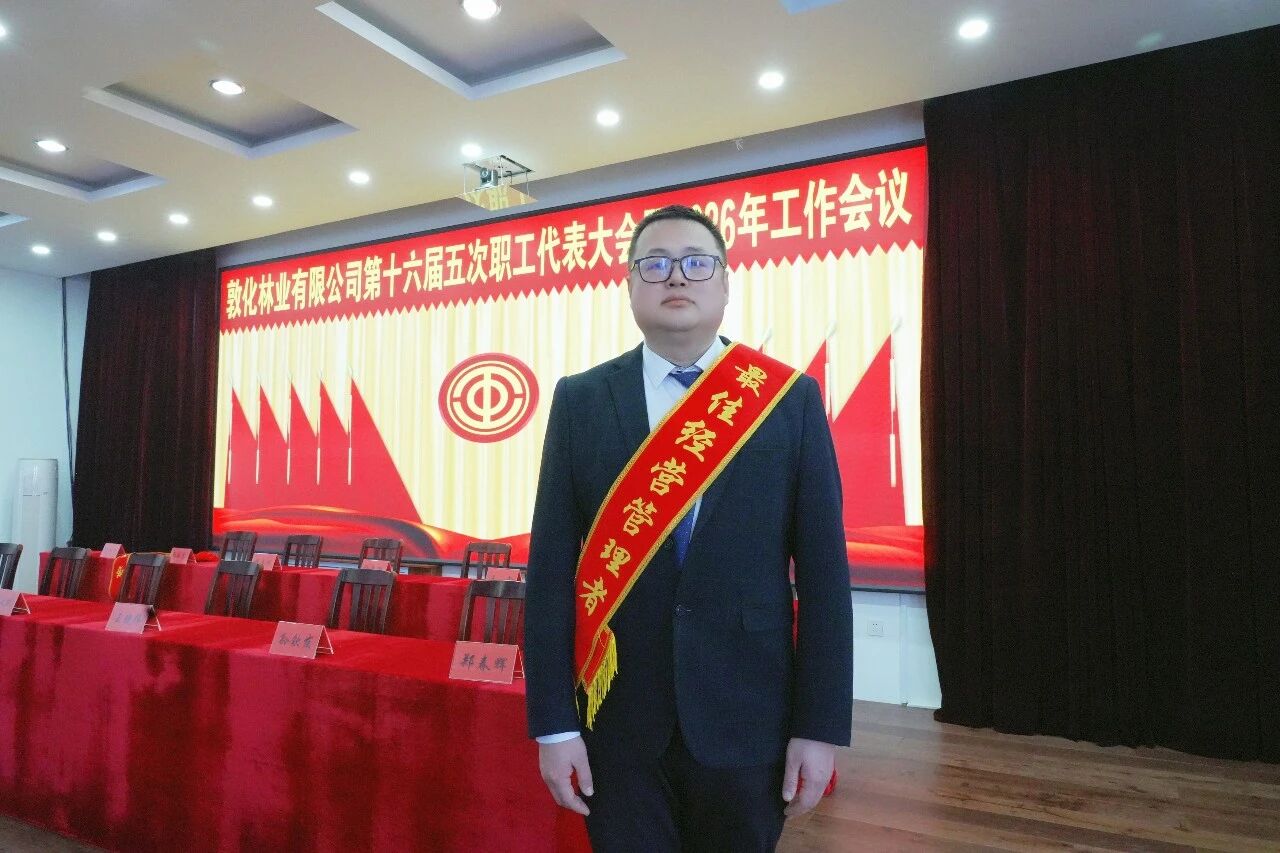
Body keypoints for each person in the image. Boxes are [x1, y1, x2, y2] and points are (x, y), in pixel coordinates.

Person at [525, 204, 852, 852]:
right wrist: (554, 725)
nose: (676, 276)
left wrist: (818, 727)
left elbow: (824, 579)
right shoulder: (581, 400)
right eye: (655, 264)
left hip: (748, 719)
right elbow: (552, 574)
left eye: (697, 263)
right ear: (630, 285)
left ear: (725, 283)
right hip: (616, 725)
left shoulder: (787, 400)